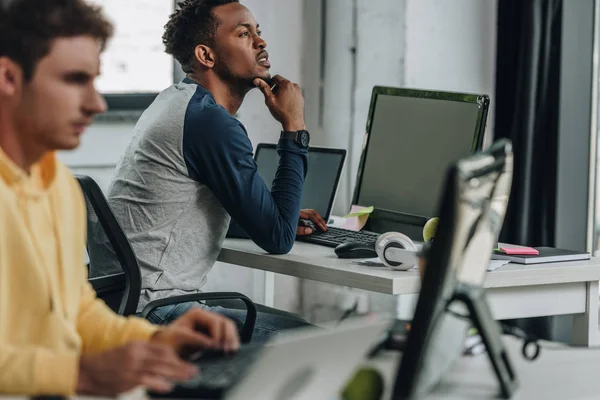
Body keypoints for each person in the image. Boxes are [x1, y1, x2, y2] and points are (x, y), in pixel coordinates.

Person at [0, 0, 239, 396]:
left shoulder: (55, 186)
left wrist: (153, 340)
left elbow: (77, 313)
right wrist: (79, 374)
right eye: (75, 79)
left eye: (95, 80)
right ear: (8, 78)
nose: (96, 103)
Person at [99, 0, 327, 341]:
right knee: (316, 342)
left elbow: (177, 213)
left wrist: (272, 216)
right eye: (243, 33)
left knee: (301, 331)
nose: (261, 43)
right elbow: (277, 240)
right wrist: (294, 127)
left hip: (124, 303)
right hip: (155, 312)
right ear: (207, 56)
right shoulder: (210, 123)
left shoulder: (175, 102)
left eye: (258, 33)